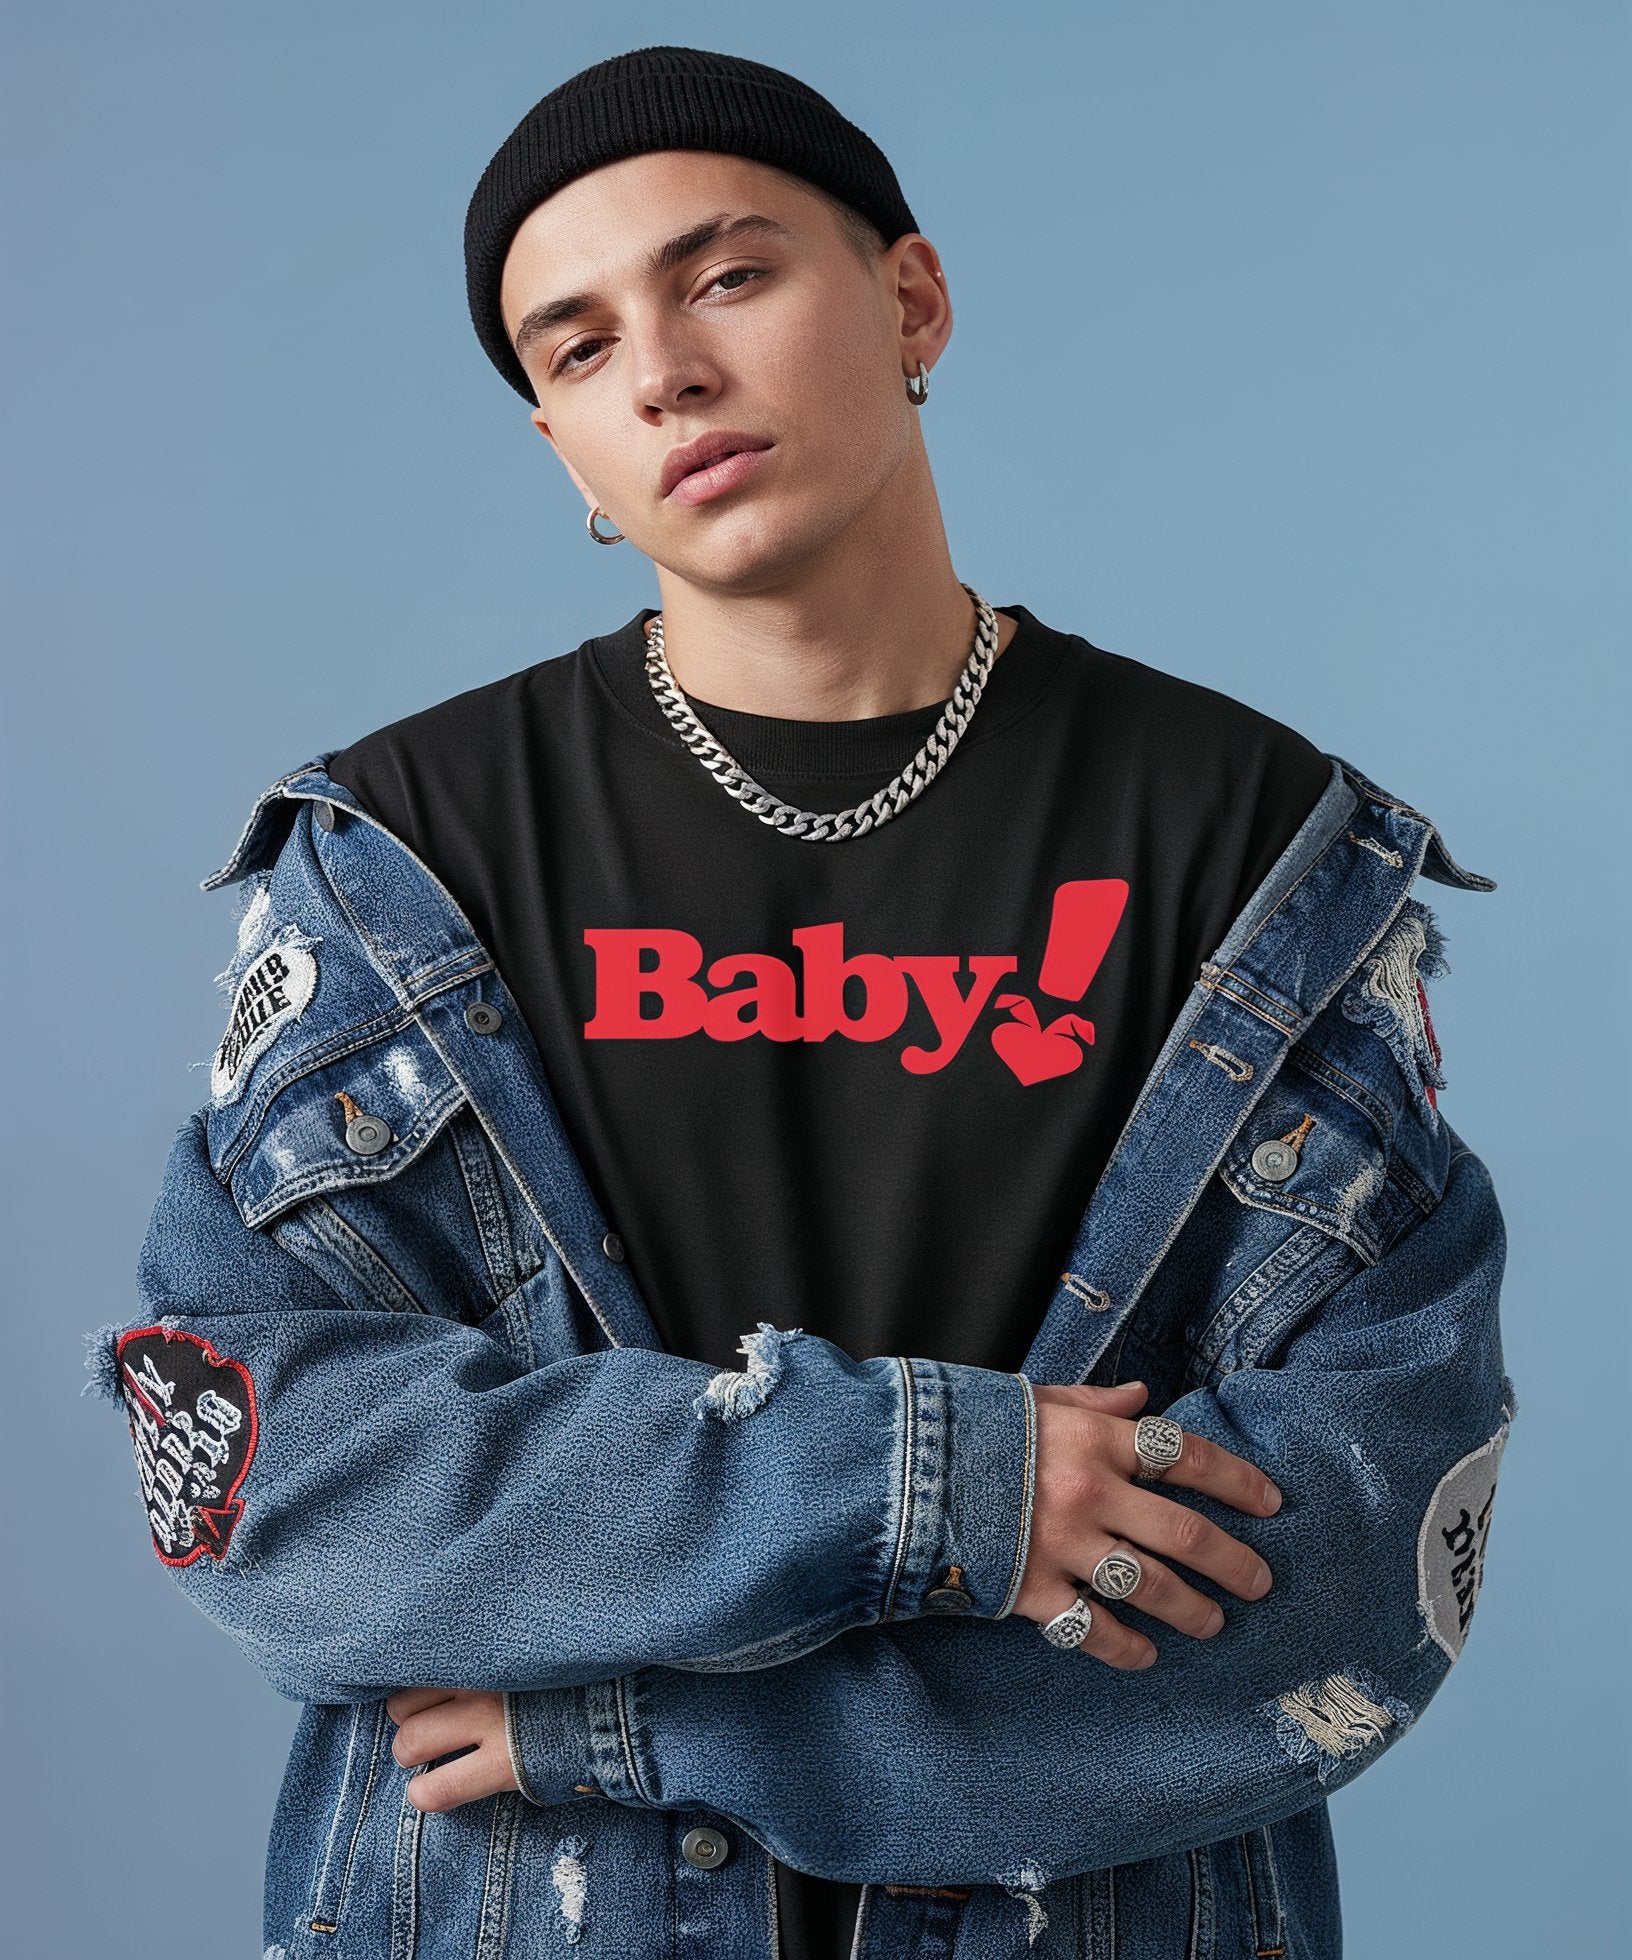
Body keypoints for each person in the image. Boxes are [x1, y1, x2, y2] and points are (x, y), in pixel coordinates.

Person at [93, 44, 1514, 1960]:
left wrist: (641, 1720)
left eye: (728, 276)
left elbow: (1353, 1565)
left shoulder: (1248, 842)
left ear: (911, 298)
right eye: (576, 347)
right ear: (558, 448)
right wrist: (945, 1483)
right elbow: (276, 1483)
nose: (663, 369)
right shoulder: (404, 855)